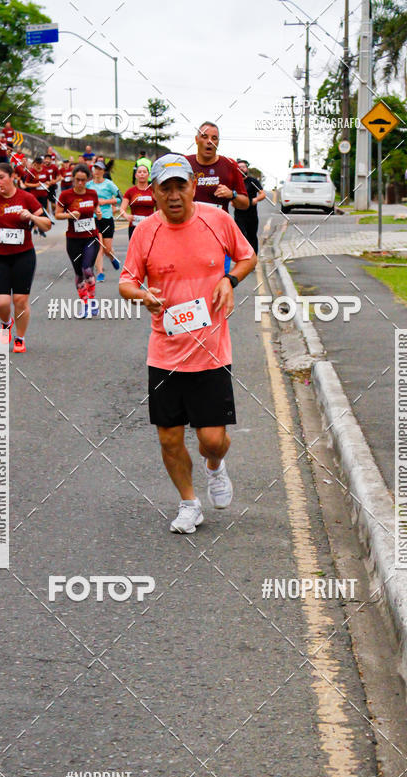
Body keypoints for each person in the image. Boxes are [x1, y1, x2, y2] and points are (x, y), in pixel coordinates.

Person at [118, 154, 256, 534]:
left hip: (211, 351)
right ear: (155, 192)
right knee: (169, 436)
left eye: (181, 186)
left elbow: (247, 258)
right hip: (165, 351)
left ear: (193, 186)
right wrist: (142, 295)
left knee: (212, 440)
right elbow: (126, 281)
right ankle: (188, 503)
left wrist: (229, 280)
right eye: (166, 188)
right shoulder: (145, 231)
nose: (175, 195)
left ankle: (215, 466)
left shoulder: (217, 220)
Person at [0, 162, 51, 353]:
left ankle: (20, 338)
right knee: (1, 302)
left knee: (20, 300)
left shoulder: (26, 197)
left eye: (1, 177)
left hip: (24, 255)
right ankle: (6, 323)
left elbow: (47, 224)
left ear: (12, 176)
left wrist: (31, 217)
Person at [55, 163, 102, 307]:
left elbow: (96, 208)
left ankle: (92, 299)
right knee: (79, 273)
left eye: (83, 180)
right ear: (73, 179)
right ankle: (85, 302)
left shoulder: (92, 194)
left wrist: (98, 213)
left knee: (87, 269)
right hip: (73, 239)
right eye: (77, 180)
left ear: (88, 179)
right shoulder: (66, 195)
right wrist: (69, 215)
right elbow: (57, 215)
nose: (80, 183)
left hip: (90, 237)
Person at [185, 122, 249, 213]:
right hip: (191, 224)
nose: (209, 141)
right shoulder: (184, 163)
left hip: (218, 225)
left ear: (218, 142)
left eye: (214, 138)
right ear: (196, 139)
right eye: (204, 137)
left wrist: (232, 194)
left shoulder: (230, 165)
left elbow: (245, 204)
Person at [87, 161, 122, 281]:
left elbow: (120, 198)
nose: (97, 171)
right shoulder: (89, 185)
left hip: (107, 218)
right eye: (95, 168)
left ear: (103, 171)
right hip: (94, 219)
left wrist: (105, 202)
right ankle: (100, 273)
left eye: (99, 169)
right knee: (99, 247)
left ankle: (112, 258)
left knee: (107, 249)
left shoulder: (109, 184)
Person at [233, 159, 266, 255]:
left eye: (243, 167)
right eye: (239, 167)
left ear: (247, 168)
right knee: (242, 236)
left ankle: (253, 257)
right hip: (239, 214)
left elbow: (262, 194)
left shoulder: (253, 181)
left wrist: (256, 199)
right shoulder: (234, 181)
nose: (241, 169)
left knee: (252, 236)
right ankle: (244, 258)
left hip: (252, 214)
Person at [119, 164, 156, 239]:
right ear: (136, 175)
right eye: (139, 172)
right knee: (135, 249)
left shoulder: (153, 191)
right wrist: (127, 216)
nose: (142, 174)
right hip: (134, 227)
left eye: (144, 172)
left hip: (150, 226)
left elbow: (160, 210)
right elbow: (122, 209)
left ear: (148, 175)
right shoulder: (130, 191)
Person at [23, 157, 50, 234]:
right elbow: (26, 183)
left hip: (44, 194)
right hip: (34, 195)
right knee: (35, 212)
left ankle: (41, 229)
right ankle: (31, 227)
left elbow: (48, 180)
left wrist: (48, 183)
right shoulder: (32, 172)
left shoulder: (45, 171)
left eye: (40, 164)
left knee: (42, 211)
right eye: (37, 164)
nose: (39, 166)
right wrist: (36, 185)